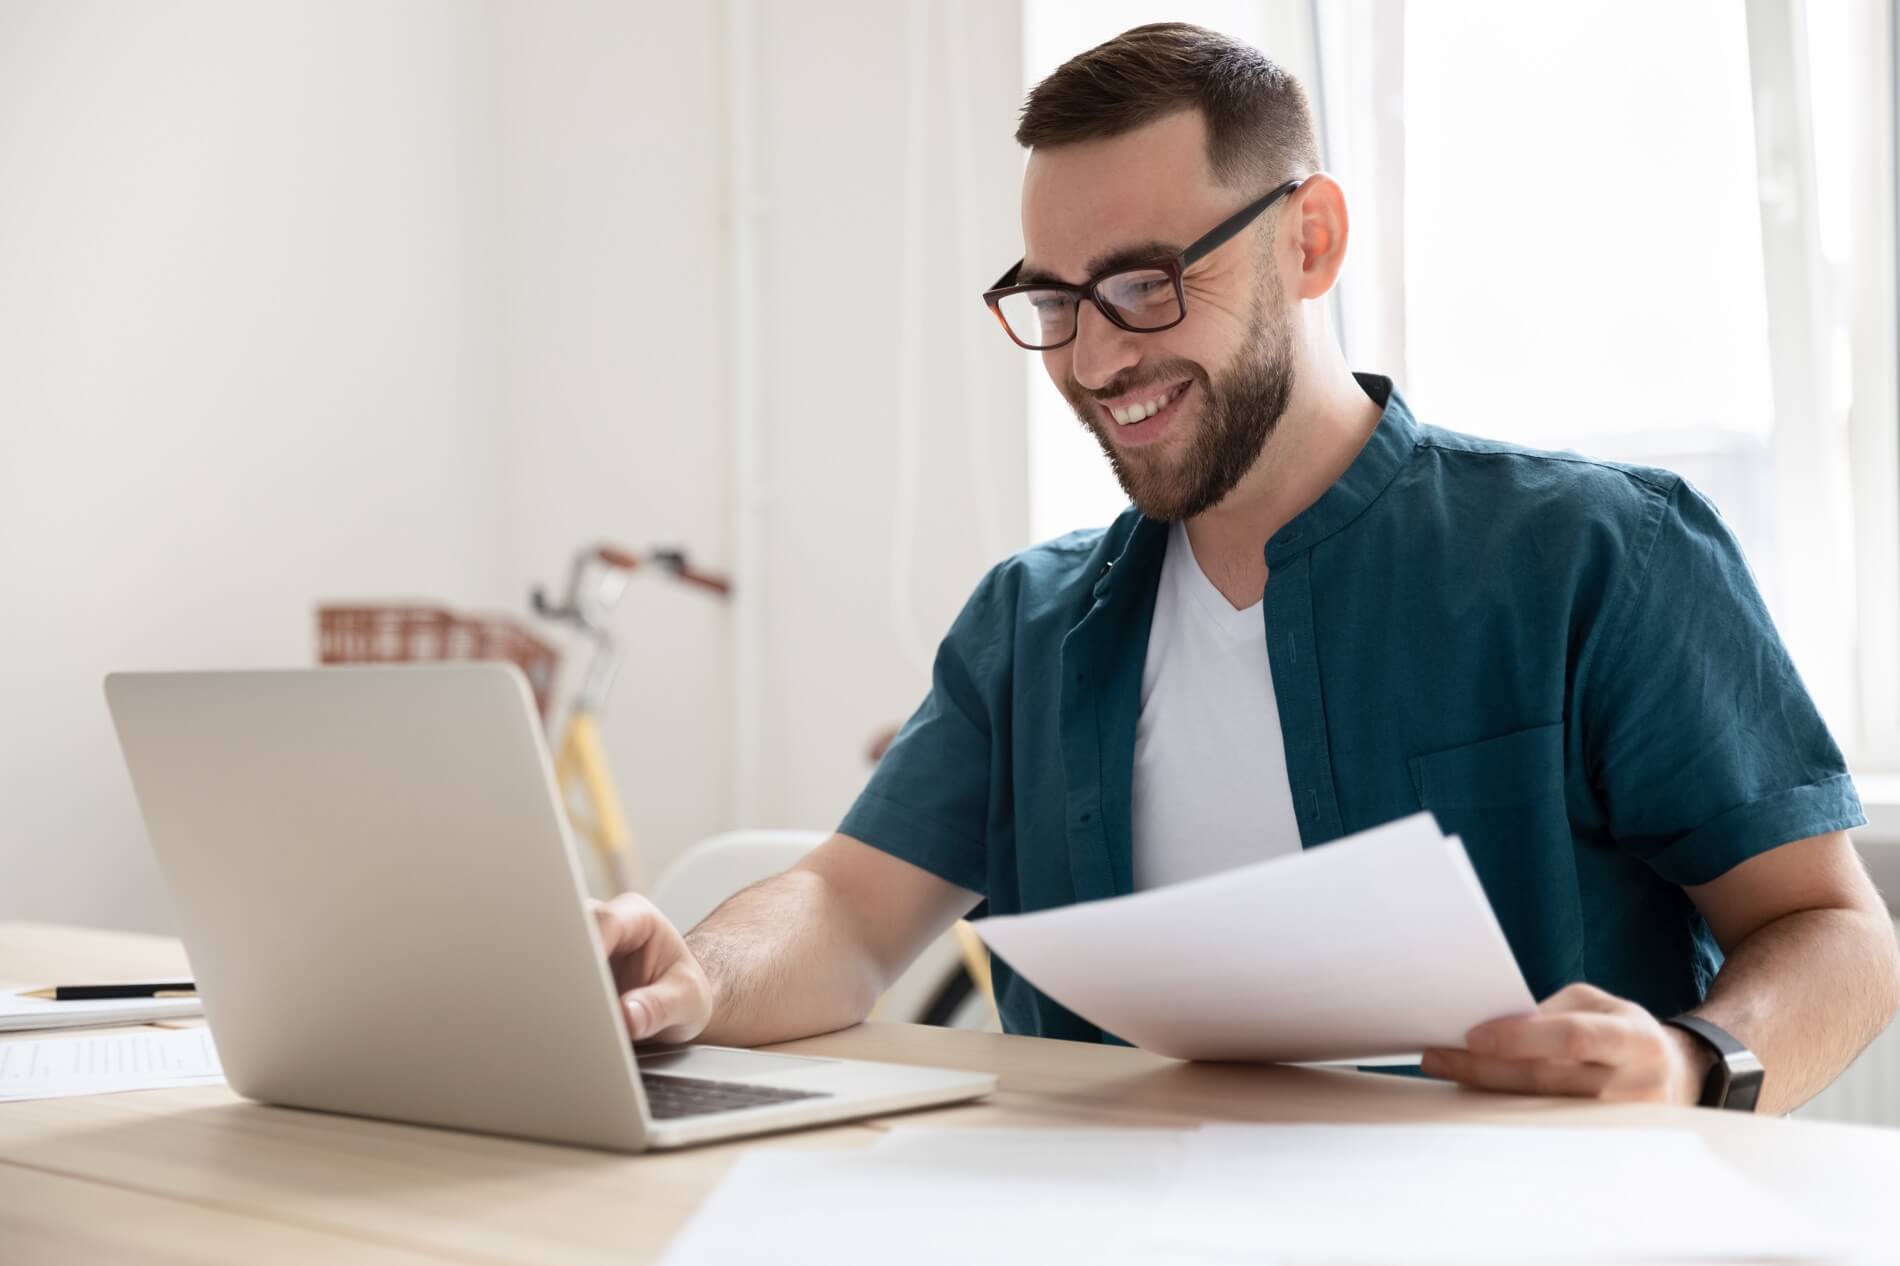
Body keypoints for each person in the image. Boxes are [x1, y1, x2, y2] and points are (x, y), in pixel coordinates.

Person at [593, 23, 1898, 1112]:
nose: (1097, 360)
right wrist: (694, 979)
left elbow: (1841, 932)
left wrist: (1690, 1062)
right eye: (1054, 301)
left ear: (1310, 241)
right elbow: (843, 904)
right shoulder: (1029, 623)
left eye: (1146, 283)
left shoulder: (1599, 556)